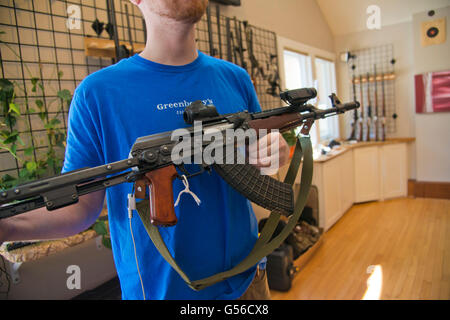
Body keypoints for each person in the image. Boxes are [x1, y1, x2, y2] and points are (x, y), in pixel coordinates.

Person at [0, 0, 289, 299]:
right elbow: (80, 207)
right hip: (159, 292)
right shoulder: (97, 93)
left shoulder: (236, 78)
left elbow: (258, 167)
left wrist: (272, 156)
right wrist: (8, 227)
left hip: (247, 282)